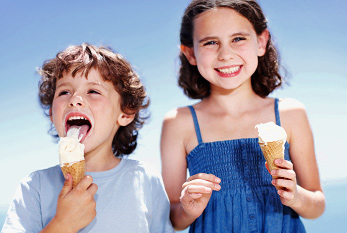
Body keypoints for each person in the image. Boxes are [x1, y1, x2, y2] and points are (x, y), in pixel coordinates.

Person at [160, 0, 326, 232]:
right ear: (190, 53)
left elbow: (317, 205)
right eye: (210, 42)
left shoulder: (291, 114)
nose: (225, 54)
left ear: (261, 42)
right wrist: (188, 209)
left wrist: (296, 196)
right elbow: (174, 218)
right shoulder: (178, 123)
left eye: (238, 39)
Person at [2, 43, 174, 233]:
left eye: (93, 91)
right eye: (64, 92)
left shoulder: (146, 179)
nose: (75, 99)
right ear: (52, 114)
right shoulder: (34, 186)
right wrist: (62, 224)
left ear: (125, 113)